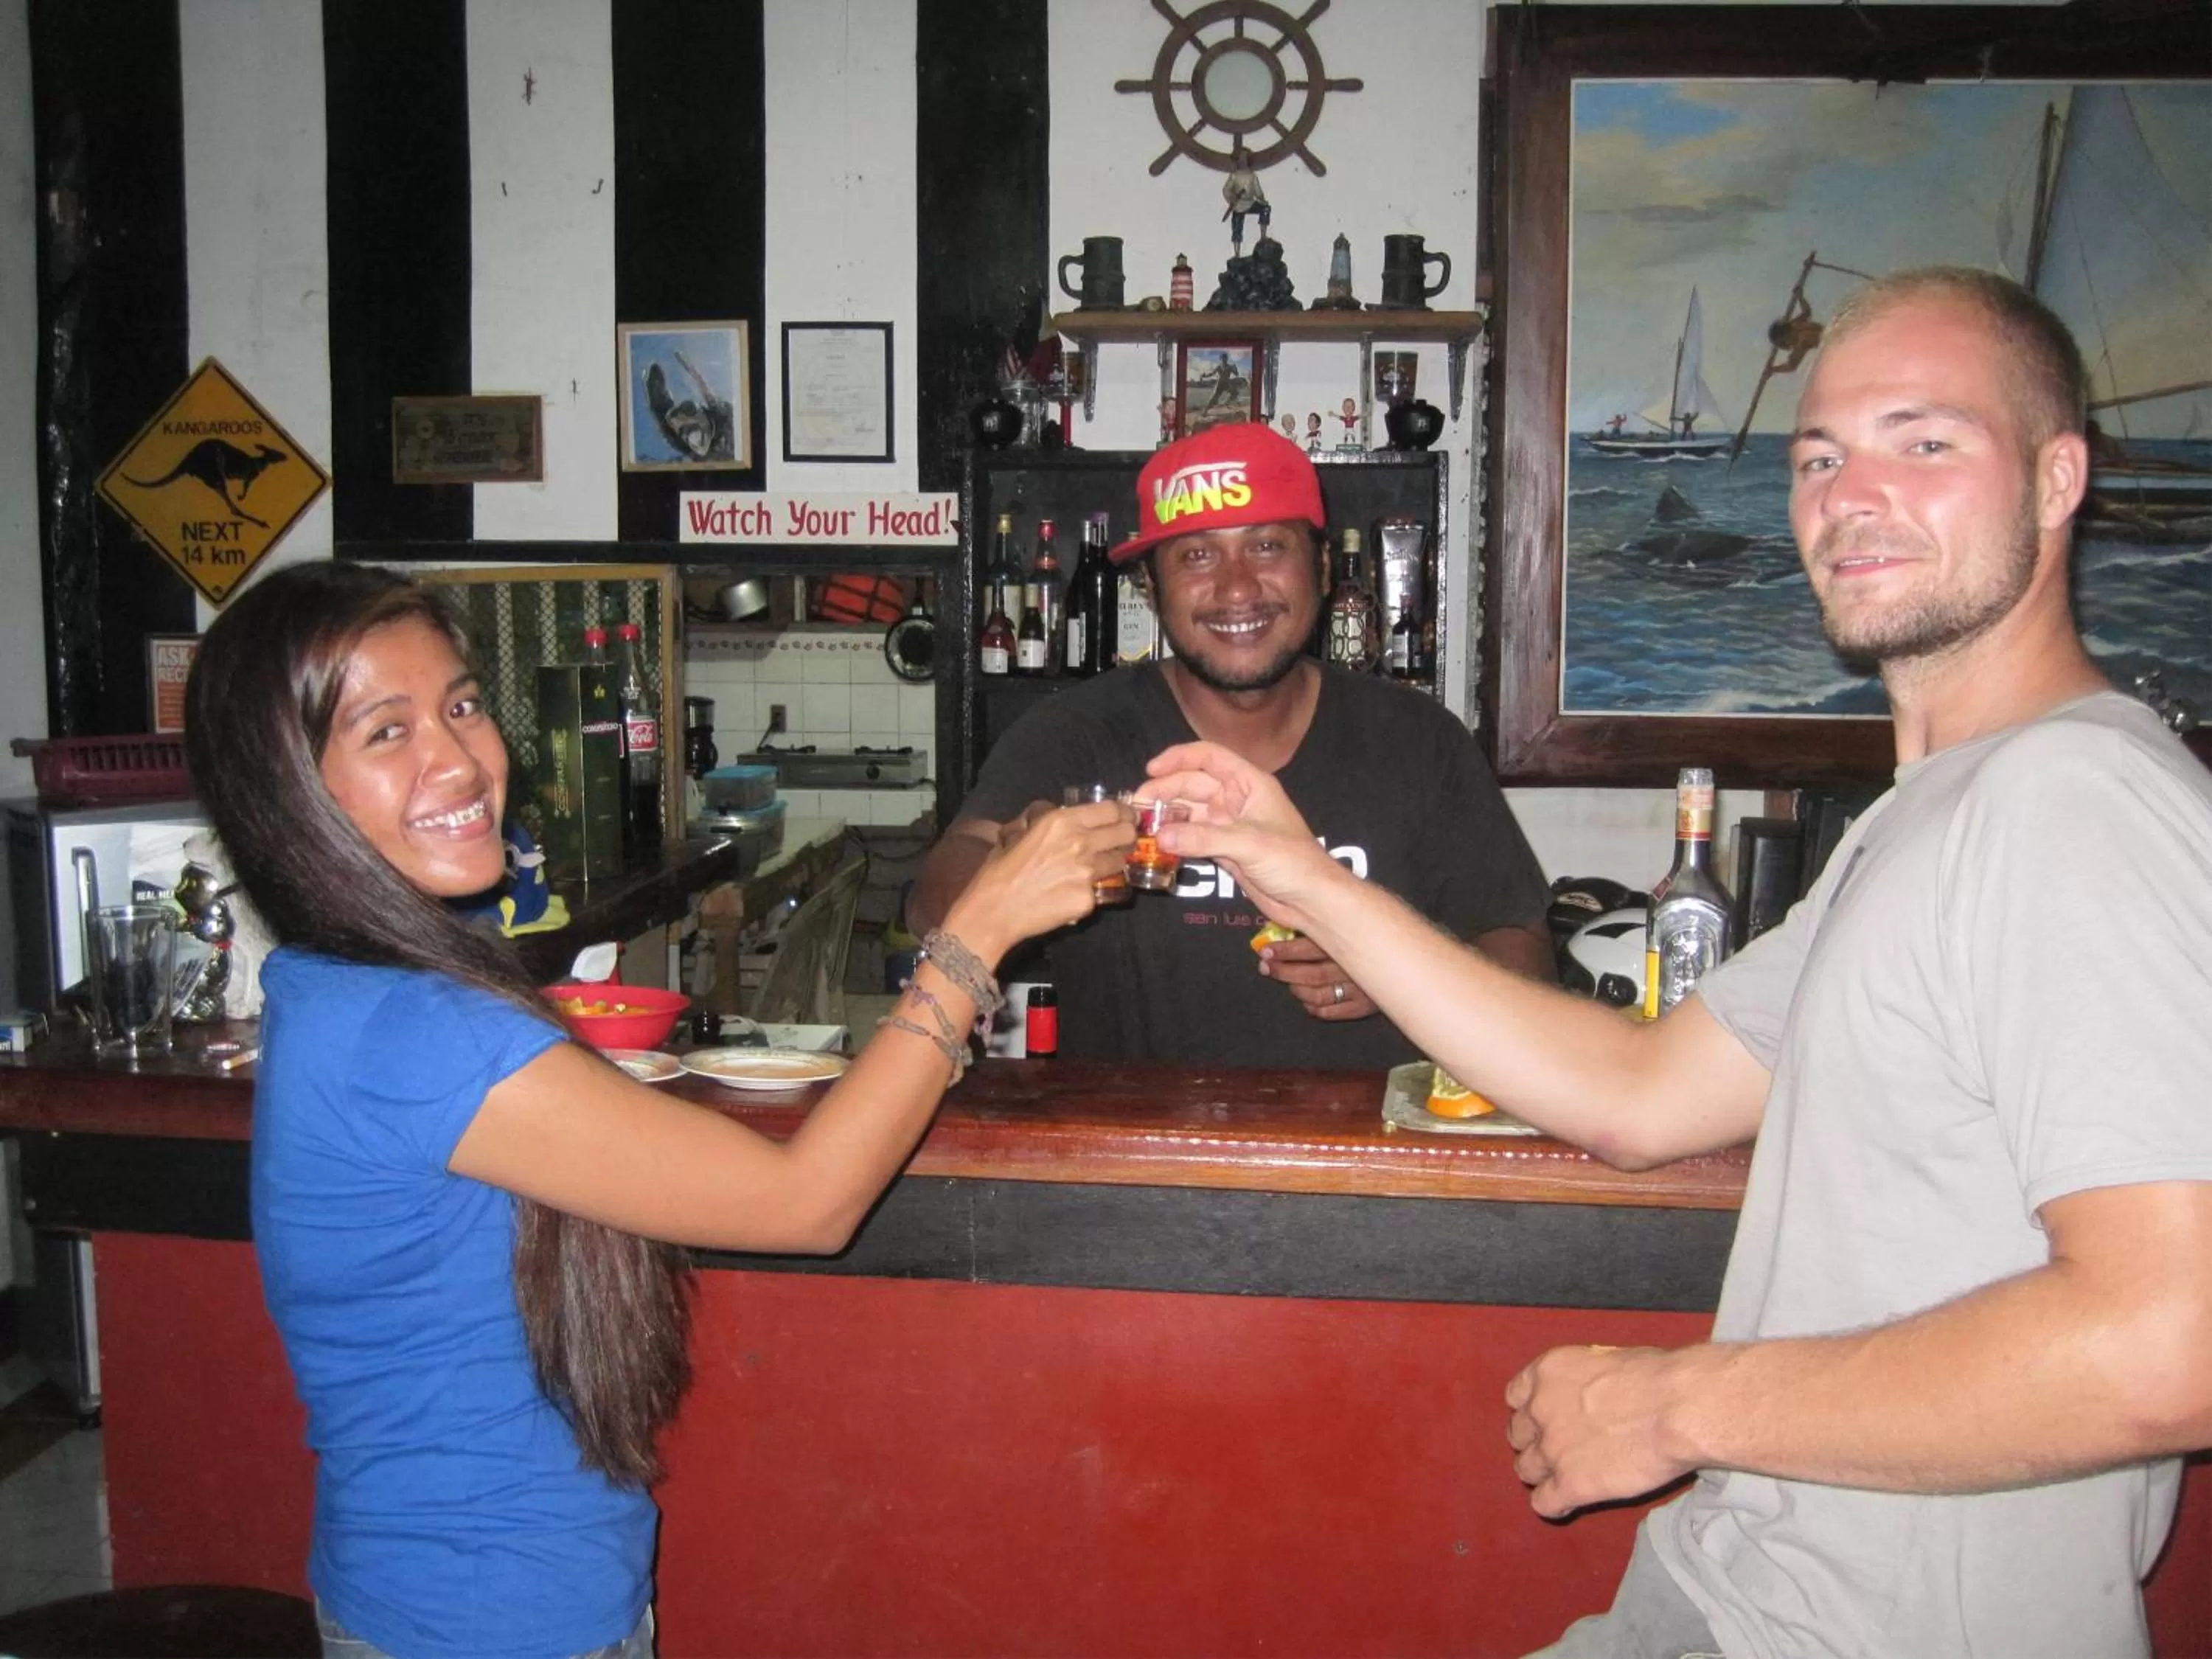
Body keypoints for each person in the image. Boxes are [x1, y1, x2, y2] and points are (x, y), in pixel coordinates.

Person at [1142, 268, 2212, 1656]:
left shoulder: (2071, 805)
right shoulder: (1926, 823)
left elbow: (2174, 1338)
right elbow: (1640, 1090)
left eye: (1926, 441)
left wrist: (1676, 1406)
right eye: (1820, 455)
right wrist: (1299, 877)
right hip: (1746, 1593)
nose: (1852, 492)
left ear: (2058, 479)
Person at [181, 563, 1133, 1659]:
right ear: (285, 790)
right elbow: (807, 1202)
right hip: (486, 1623)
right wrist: (978, 935)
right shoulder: (415, 1031)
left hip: (446, 1596)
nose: (460, 758)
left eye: (460, 704)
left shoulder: (334, 980)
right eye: (385, 732)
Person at [912, 420, 1552, 1069]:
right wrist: (1011, 870)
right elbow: (933, 897)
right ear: (1151, 588)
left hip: (1369, 1155)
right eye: (1197, 555)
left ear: (1324, 569)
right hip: (1130, 1157)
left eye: (1268, 546)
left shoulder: (1420, 741)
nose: (1238, 587)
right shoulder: (1076, 733)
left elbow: (1523, 954)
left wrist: (1400, 971)